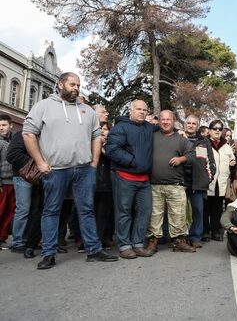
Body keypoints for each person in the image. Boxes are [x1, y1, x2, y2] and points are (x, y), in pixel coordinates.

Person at [22, 72, 118, 269]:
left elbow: (96, 136)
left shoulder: (88, 111)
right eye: (72, 84)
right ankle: (49, 253)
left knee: (87, 210)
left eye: (78, 85)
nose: (76, 88)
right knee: (51, 210)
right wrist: (39, 162)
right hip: (55, 170)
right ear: (60, 84)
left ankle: (93, 250)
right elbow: (28, 133)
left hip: (84, 170)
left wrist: (93, 163)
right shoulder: (43, 106)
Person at [106, 100, 158, 259]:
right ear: (131, 110)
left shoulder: (149, 128)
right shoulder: (120, 128)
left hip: (144, 180)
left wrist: (179, 131)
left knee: (145, 211)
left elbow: (164, 127)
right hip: (124, 176)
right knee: (124, 212)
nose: (142, 112)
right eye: (138, 109)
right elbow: (112, 150)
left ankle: (137, 244)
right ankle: (124, 245)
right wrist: (133, 162)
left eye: (145, 109)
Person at [147, 110, 196, 253]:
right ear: (159, 121)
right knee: (154, 216)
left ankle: (179, 242)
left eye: (168, 119)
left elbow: (193, 154)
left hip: (175, 185)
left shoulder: (181, 140)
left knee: (178, 215)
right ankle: (152, 241)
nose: (165, 122)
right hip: (154, 185)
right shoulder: (152, 137)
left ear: (173, 121)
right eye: (162, 119)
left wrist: (181, 159)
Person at [183, 115, 215, 248]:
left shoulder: (204, 141)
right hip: (181, 180)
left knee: (198, 210)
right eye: (188, 123)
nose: (191, 125)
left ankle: (195, 236)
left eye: (193, 123)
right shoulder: (178, 138)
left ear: (197, 126)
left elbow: (210, 161)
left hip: (198, 181)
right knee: (179, 211)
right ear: (185, 125)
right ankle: (180, 237)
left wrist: (209, 177)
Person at [205, 120, 235, 242]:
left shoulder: (227, 147)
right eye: (214, 128)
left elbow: (232, 162)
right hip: (207, 182)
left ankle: (216, 231)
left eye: (219, 129)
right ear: (210, 130)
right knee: (205, 209)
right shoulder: (204, 143)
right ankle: (205, 231)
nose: (217, 130)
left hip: (221, 183)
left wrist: (233, 164)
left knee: (218, 209)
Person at [94, 121, 114, 249]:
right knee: (92, 213)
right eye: (100, 128)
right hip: (92, 184)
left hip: (108, 184)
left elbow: (113, 158)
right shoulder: (90, 144)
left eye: (105, 129)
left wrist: (101, 148)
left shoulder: (111, 146)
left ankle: (104, 239)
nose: (102, 131)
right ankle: (89, 241)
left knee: (104, 214)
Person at [0, 113, 15, 249]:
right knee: (0, 210)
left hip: (12, 182)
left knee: (10, 211)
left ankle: (2, 238)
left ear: (11, 126)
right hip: (2, 183)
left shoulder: (11, 141)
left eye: (4, 125)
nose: (1, 128)